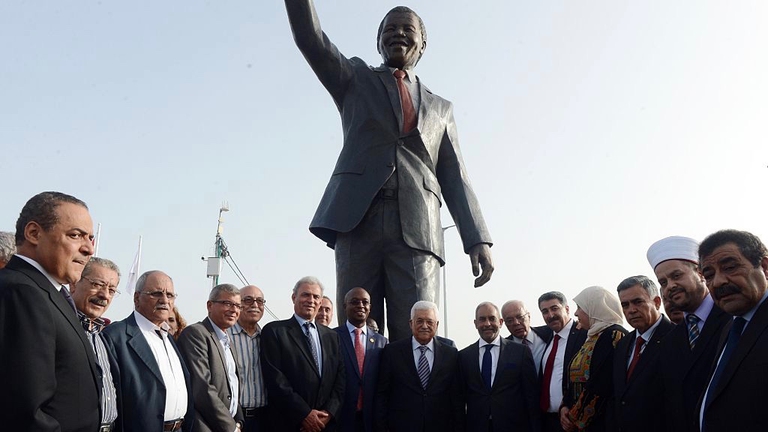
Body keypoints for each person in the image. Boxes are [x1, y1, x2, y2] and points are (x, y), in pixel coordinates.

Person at [283, 0, 494, 341]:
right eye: (390, 29)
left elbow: (455, 177)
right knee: (356, 333)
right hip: (357, 221)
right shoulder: (355, 78)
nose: (398, 34)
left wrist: (477, 238)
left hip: (419, 228)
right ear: (378, 42)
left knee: (417, 331)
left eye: (408, 29)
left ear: (422, 45)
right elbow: (311, 39)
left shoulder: (441, 108)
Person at [0, 191, 101, 431]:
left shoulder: (47, 293)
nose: (89, 249)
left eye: (91, 238)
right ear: (34, 233)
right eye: (75, 235)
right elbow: (24, 413)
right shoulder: (21, 292)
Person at [647, 236, 730, 432]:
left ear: (700, 273)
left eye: (676, 276)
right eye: (663, 282)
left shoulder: (733, 319)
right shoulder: (670, 341)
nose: (670, 286)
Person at [101, 270, 194, 432]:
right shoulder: (116, 336)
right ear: (137, 298)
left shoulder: (167, 337)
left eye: (170, 295)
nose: (164, 300)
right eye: (156, 293)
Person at [698, 229, 768, 430]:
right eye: (709, 275)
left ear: (765, 267)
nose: (718, 282)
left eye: (730, 267)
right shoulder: (731, 327)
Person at [261, 276, 345, 432]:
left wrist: (328, 413)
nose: (311, 300)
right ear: (294, 298)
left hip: (324, 424)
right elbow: (275, 380)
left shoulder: (332, 337)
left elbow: (340, 378)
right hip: (289, 423)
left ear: (320, 302)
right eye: (306, 295)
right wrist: (304, 415)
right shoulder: (275, 332)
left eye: (316, 297)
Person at [374, 301, 463, 432]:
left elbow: (456, 397)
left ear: (437, 324)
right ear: (411, 323)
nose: (424, 326)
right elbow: (382, 394)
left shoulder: (450, 354)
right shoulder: (392, 352)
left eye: (429, 322)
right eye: (419, 321)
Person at [458, 302, 540, 432]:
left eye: (492, 318)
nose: (487, 324)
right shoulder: (464, 356)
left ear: (501, 322)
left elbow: (531, 396)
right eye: (482, 319)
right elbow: (459, 398)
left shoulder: (520, 352)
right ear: (475, 323)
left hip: (514, 426)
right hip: (477, 426)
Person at [177, 283, 245, 431]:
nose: (234, 310)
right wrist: (230, 427)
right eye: (227, 303)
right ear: (210, 305)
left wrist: (239, 421)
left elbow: (233, 386)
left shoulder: (227, 341)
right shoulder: (196, 334)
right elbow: (202, 388)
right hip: (205, 426)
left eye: (238, 306)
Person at [611, 276, 674, 432]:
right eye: (625, 305)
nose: (631, 310)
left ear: (657, 302)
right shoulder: (623, 343)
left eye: (638, 302)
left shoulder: (676, 337)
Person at [560, 286, 627, 432]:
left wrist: (575, 418)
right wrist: (564, 407)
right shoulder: (591, 336)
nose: (576, 313)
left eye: (580, 307)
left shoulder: (613, 334)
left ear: (594, 307)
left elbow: (601, 383)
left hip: (600, 423)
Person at [70, 257, 122, 431]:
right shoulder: (59, 327)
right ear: (74, 284)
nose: (105, 295)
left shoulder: (102, 336)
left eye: (112, 290)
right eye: (98, 284)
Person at [334, 287, 388, 432]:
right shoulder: (332, 337)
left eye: (365, 302)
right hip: (340, 417)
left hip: (371, 419)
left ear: (370, 307)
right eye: (354, 302)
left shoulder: (381, 342)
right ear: (345, 306)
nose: (360, 306)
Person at [537, 291, 587, 432]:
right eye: (545, 311)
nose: (550, 315)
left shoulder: (584, 334)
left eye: (554, 308)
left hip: (573, 420)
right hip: (548, 421)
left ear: (567, 309)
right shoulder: (547, 337)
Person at [228, 284, 269, 432]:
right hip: (234, 419)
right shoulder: (224, 337)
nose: (255, 305)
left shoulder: (267, 338)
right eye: (248, 300)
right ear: (238, 304)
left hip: (264, 419)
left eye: (260, 301)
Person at [501, 299, 551, 373]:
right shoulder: (503, 349)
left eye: (520, 317)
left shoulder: (549, 333)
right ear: (505, 324)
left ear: (529, 316)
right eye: (510, 320)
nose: (516, 323)